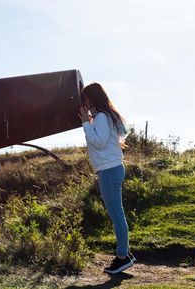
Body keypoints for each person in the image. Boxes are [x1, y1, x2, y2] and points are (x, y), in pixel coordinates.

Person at [78, 82, 135, 274]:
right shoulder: (103, 116)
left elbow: (99, 143)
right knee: (117, 213)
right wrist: (89, 122)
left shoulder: (101, 117)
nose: (83, 103)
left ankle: (122, 257)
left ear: (91, 98)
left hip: (109, 170)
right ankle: (124, 253)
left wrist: (86, 123)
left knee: (116, 214)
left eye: (84, 99)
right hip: (112, 169)